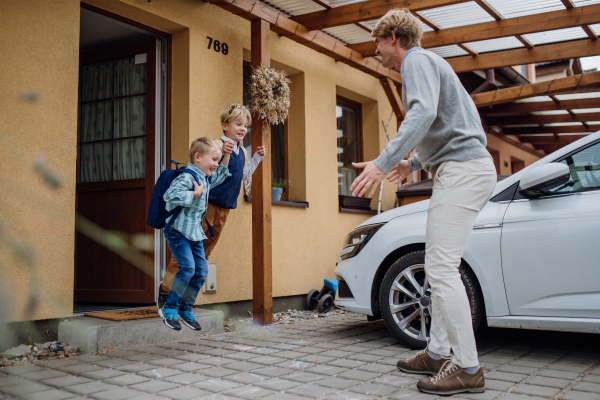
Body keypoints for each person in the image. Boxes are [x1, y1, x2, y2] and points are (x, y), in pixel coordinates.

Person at [350, 8, 496, 396]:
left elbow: (423, 112)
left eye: (378, 43)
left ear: (393, 38)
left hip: (463, 171)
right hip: (463, 168)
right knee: (440, 264)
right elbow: (451, 123)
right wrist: (412, 163)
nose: (376, 51)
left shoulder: (415, 60)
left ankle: (467, 367)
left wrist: (382, 163)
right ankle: (436, 352)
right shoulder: (430, 63)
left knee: (441, 266)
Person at [157, 104, 266, 309]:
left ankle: (181, 296)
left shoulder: (242, 150)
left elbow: (241, 176)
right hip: (205, 207)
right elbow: (209, 174)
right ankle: (166, 290)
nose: (243, 129)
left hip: (224, 210)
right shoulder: (216, 145)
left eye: (245, 126)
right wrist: (223, 154)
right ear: (225, 126)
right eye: (238, 124)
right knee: (185, 251)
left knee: (204, 253)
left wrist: (257, 158)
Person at [159, 137, 234, 330]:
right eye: (214, 160)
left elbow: (222, 175)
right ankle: (169, 308)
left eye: (218, 161)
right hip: (178, 233)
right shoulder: (186, 177)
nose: (216, 165)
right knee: (188, 268)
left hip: (195, 234)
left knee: (201, 271)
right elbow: (169, 195)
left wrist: (226, 155)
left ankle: (185, 308)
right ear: (198, 157)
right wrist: (193, 194)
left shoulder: (204, 178)